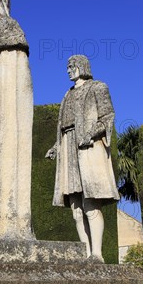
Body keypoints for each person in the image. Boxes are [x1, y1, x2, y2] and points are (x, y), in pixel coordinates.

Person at [46, 54, 119, 262]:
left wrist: (91, 134)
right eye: (67, 67)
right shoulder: (67, 95)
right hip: (69, 147)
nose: (68, 70)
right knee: (76, 209)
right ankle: (86, 254)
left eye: (72, 66)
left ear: (82, 67)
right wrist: (56, 147)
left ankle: (97, 254)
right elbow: (64, 127)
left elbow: (107, 118)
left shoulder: (98, 87)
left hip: (87, 148)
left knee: (90, 204)